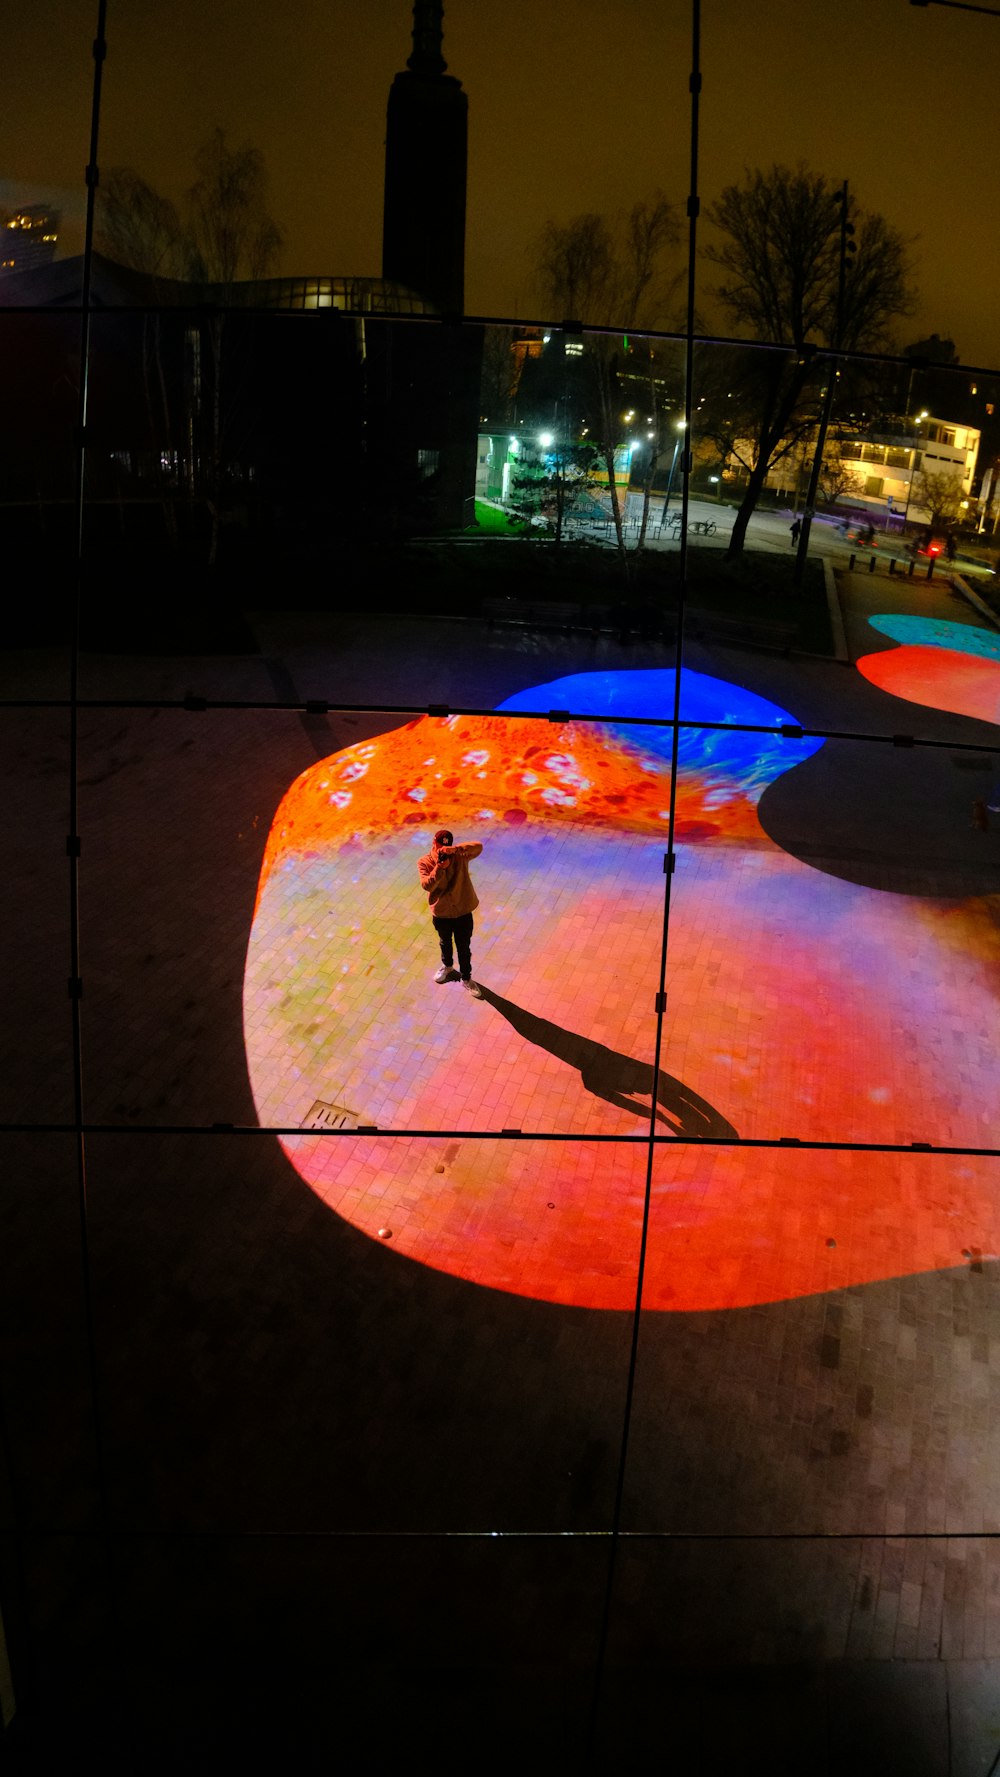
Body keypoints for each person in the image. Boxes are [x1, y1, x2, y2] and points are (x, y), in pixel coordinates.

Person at [418, 827, 485, 998]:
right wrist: (440, 868)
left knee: (464, 947)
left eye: (446, 847)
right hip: (442, 913)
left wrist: (455, 850)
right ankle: (447, 966)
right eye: (440, 846)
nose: (442, 850)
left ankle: (467, 978)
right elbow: (426, 885)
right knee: (444, 942)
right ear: (434, 842)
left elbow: (478, 847)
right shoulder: (425, 862)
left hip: (462, 911)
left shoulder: (459, 856)